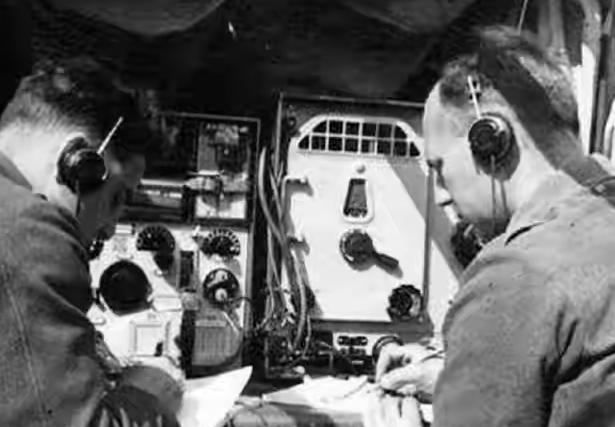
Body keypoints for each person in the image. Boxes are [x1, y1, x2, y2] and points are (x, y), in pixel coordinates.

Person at [376, 25, 615, 426]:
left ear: (489, 139)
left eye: (439, 167)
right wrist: (458, 376)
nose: (441, 195)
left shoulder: (513, 276)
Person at [0, 57, 182, 426]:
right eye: (116, 197)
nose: (110, 229)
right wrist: (150, 395)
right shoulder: (27, 229)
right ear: (79, 163)